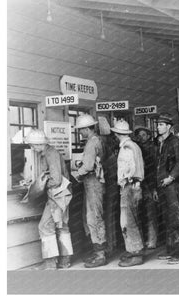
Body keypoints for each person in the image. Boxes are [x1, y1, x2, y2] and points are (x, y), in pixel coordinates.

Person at [25, 130, 73, 269]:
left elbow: (56, 180)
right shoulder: (50, 152)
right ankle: (65, 261)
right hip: (63, 195)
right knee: (62, 226)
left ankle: (50, 263)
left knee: (44, 226)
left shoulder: (50, 154)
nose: (32, 148)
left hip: (57, 195)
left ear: (39, 144)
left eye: (33, 145)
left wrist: (41, 185)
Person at [155, 113, 179, 264]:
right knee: (167, 218)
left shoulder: (175, 142)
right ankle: (171, 249)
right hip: (162, 185)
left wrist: (171, 177)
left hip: (172, 185)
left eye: (161, 125)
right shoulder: (160, 142)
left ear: (169, 127)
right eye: (158, 124)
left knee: (175, 218)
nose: (158, 127)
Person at [111, 120, 145, 267]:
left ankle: (136, 253)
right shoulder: (134, 145)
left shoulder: (126, 147)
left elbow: (129, 167)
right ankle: (134, 249)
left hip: (129, 185)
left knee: (127, 220)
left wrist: (125, 180)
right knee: (133, 218)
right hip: (135, 185)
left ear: (117, 134)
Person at [75, 114, 107, 268]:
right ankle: (98, 250)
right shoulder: (98, 140)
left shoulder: (91, 143)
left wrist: (77, 173)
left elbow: (88, 166)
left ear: (88, 129)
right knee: (92, 217)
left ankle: (100, 254)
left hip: (93, 181)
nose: (80, 133)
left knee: (95, 217)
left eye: (81, 130)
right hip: (96, 182)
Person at [135, 126, 158, 249]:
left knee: (150, 213)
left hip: (150, 184)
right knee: (141, 213)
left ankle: (152, 240)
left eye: (143, 135)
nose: (141, 137)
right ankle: (144, 239)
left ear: (149, 136)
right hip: (141, 184)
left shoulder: (153, 149)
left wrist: (154, 188)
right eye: (139, 135)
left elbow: (155, 169)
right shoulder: (137, 148)